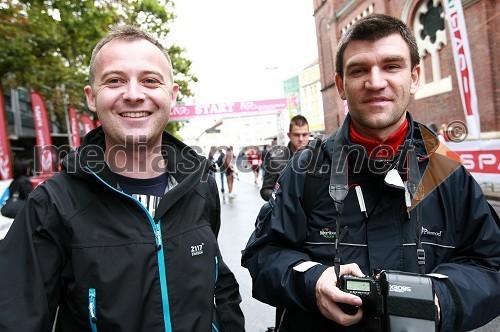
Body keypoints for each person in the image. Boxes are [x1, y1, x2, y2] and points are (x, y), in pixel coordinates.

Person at [242, 14, 500, 331]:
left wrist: (442, 298)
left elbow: (491, 264)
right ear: (340, 85)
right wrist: (314, 280)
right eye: (359, 69)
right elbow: (263, 254)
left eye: (391, 66)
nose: (376, 82)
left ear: (415, 76)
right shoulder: (306, 169)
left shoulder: (446, 171)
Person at [0, 25, 244, 331]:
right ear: (92, 97)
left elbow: (218, 285)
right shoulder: (52, 205)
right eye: (115, 80)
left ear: (172, 94)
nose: (133, 94)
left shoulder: (200, 187)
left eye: (149, 80)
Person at [260, 115, 310, 201]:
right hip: (288, 211)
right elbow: (265, 191)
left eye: (304, 135)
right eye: (296, 135)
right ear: (289, 135)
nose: (301, 139)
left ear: (309, 134)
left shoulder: (318, 156)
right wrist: (283, 198)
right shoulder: (276, 159)